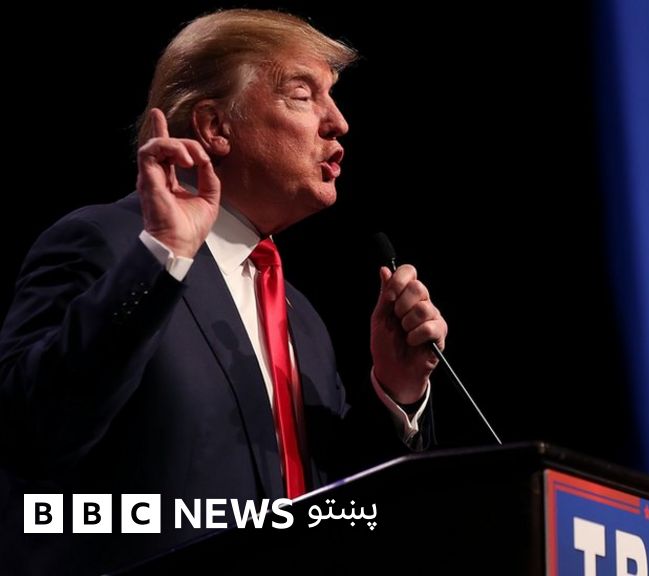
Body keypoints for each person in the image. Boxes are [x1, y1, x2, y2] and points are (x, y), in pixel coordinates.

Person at [0, 9, 447, 574]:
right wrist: (162, 256)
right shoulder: (109, 246)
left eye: (332, 97)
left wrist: (396, 391)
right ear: (215, 126)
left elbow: (337, 506)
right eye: (303, 95)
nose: (338, 122)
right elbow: (32, 434)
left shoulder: (302, 320)